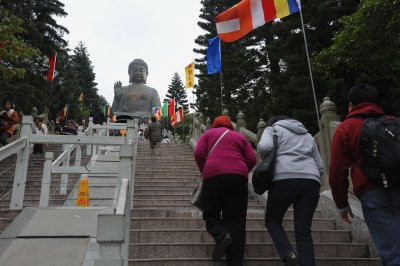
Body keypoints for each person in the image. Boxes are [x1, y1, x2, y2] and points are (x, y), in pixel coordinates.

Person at [329, 84, 400, 265]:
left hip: (372, 192)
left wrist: (342, 204)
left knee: (392, 252)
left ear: (351, 104)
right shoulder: (394, 122)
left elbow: (337, 172)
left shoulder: (345, 128)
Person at [257, 115, 324, 266]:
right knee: (303, 232)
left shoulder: (272, 129)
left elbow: (264, 147)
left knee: (272, 221)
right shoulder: (307, 135)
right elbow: (320, 166)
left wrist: (268, 161)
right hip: (311, 181)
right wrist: (308, 174)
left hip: (283, 179)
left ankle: (288, 254)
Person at [194, 116, 257, 265]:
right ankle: (235, 261)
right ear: (231, 126)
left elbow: (198, 154)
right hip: (239, 178)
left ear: (214, 125)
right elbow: (252, 159)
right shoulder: (239, 136)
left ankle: (222, 235)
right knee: (236, 221)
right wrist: (240, 172)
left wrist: (206, 170)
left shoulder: (208, 134)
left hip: (213, 175)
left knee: (211, 213)